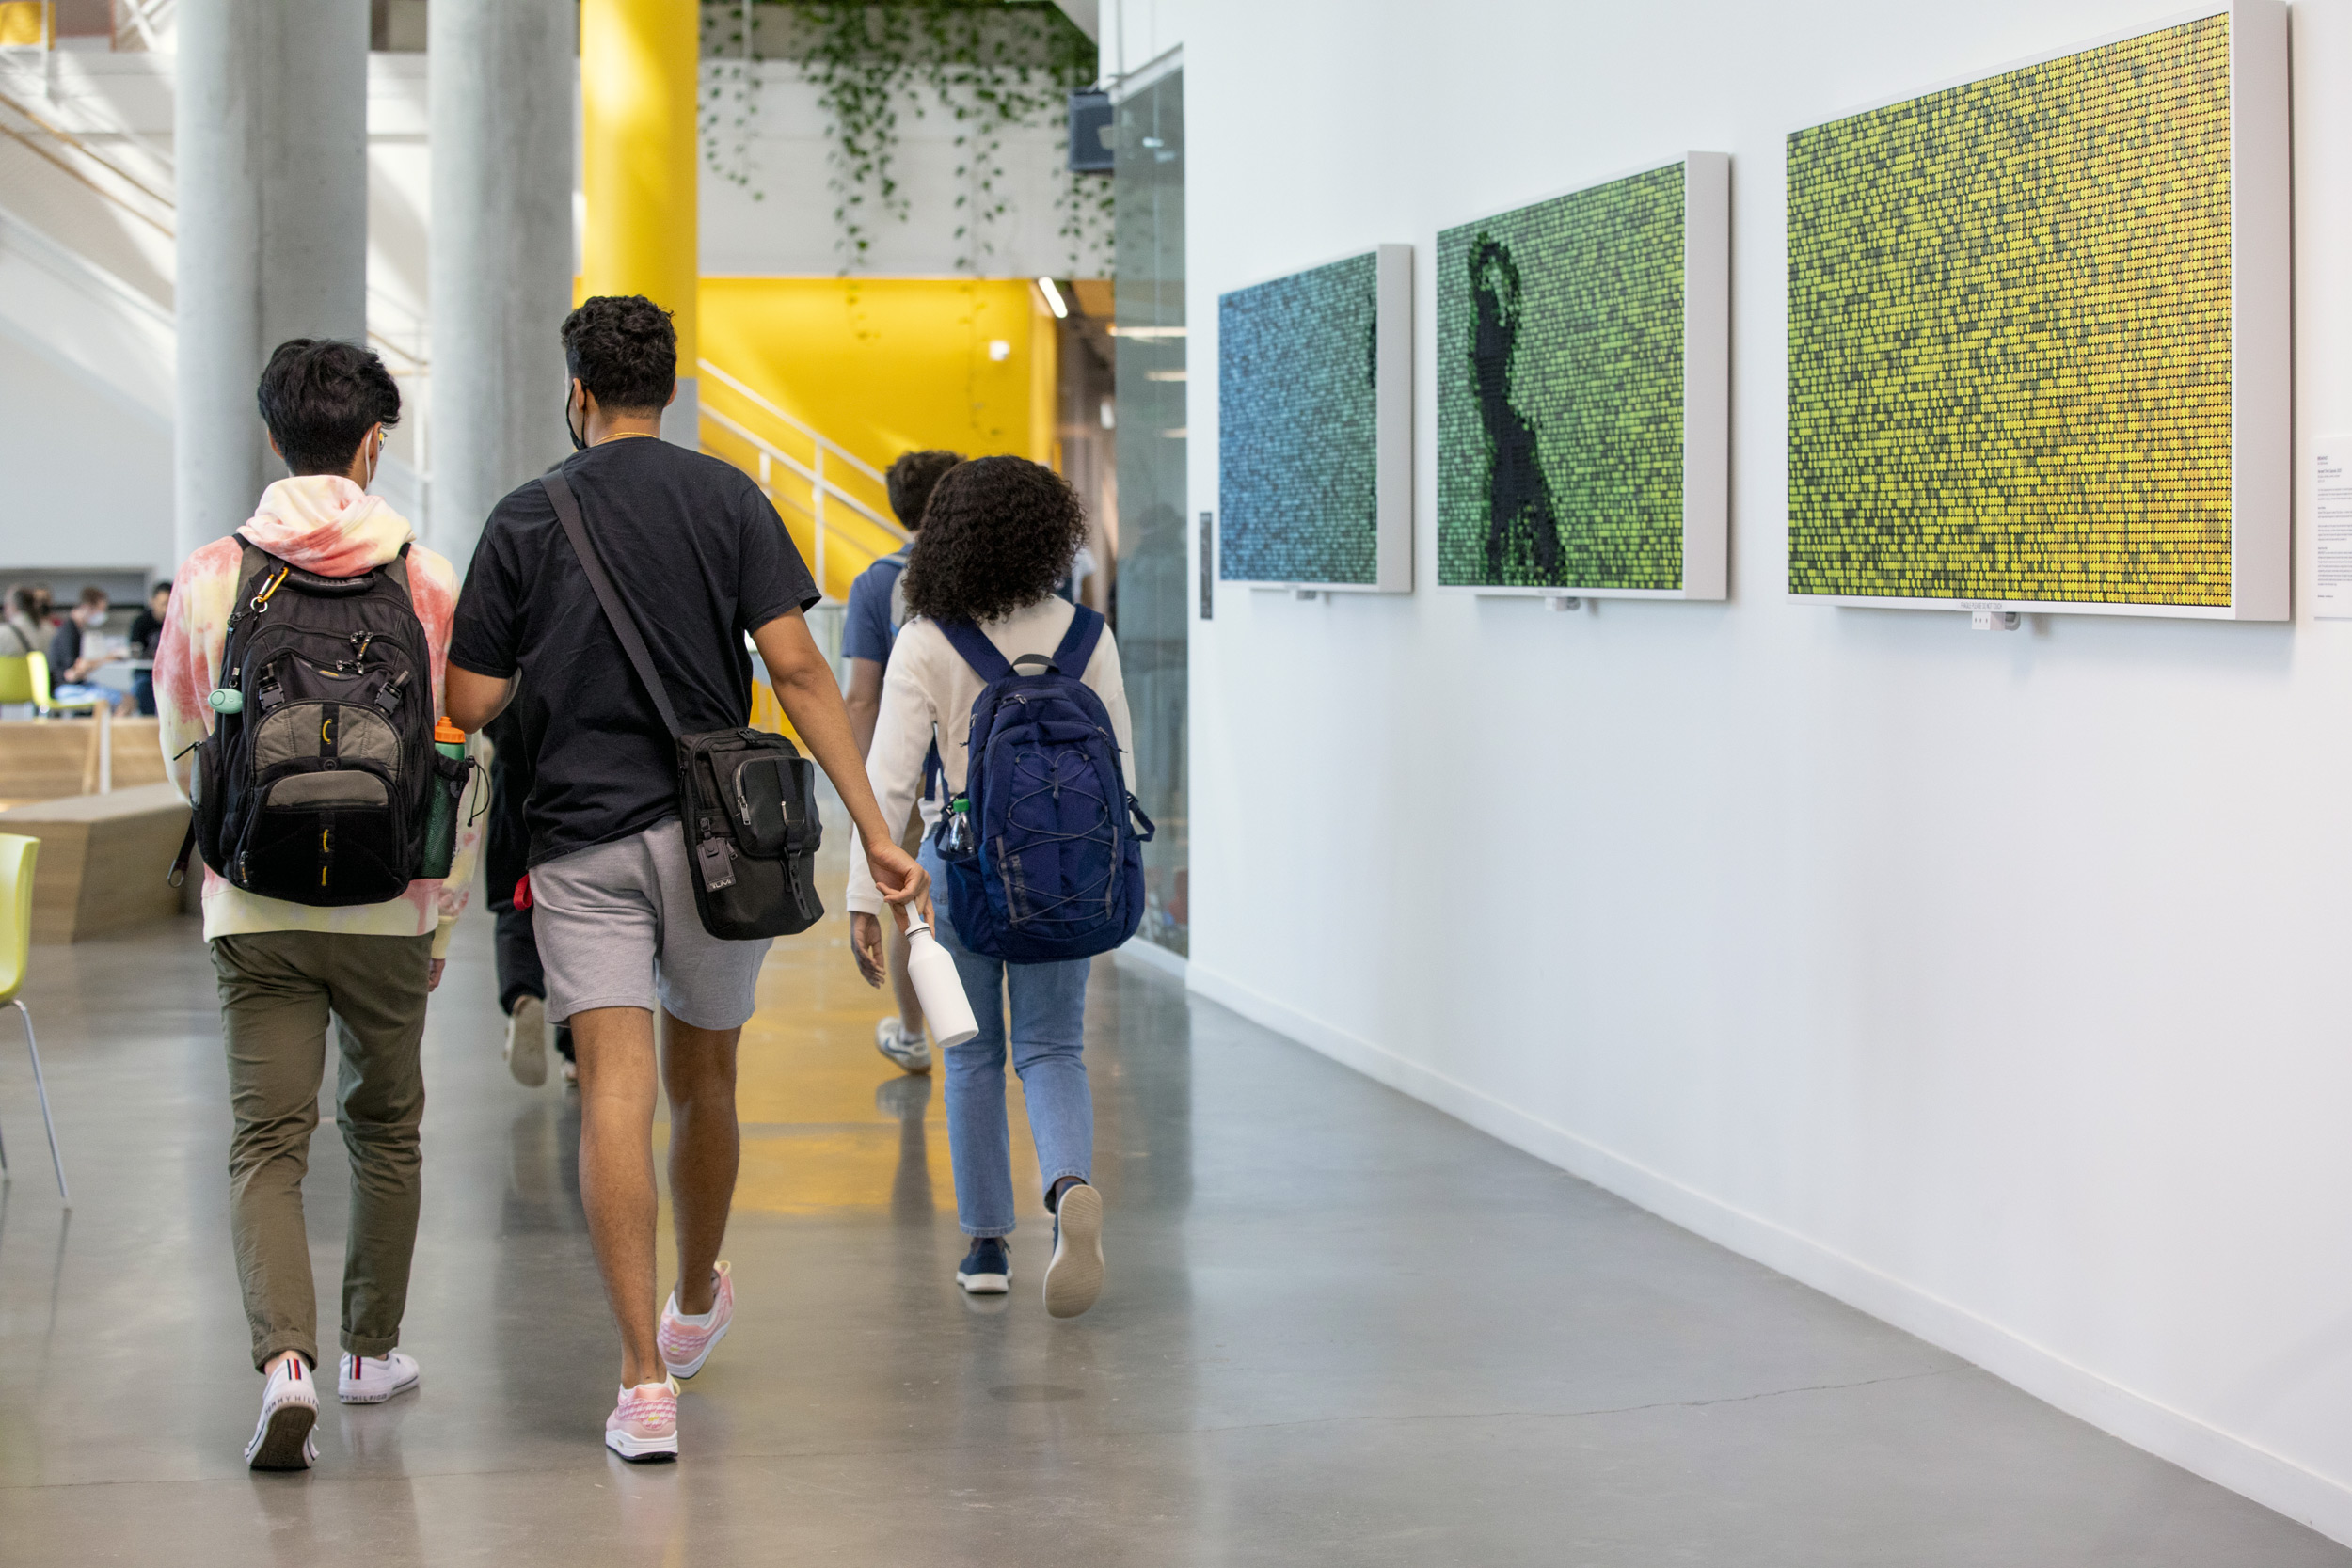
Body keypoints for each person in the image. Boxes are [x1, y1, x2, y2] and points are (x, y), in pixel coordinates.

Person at [443, 293, 927, 1464]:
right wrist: (872, 828)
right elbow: (802, 670)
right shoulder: (728, 498)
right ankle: (698, 1293)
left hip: (579, 836)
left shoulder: (523, 516)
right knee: (702, 1074)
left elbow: (466, 703)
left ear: (577, 393)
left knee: (613, 1084)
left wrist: (549, 678)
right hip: (721, 840)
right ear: (669, 387)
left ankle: (641, 1384)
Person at [154, 338, 481, 1472]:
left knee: (266, 1140)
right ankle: (368, 1352)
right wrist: (442, 914)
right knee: (385, 1128)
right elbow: (456, 760)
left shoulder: (210, 577)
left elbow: (183, 750)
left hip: (254, 901)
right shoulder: (427, 579)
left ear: (272, 436)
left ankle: (283, 1361)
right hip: (392, 901)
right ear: (372, 440)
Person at [847, 455, 1133, 1318]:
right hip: (1062, 875)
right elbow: (1119, 773)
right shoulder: (1090, 633)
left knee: (970, 1052)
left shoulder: (928, 639)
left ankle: (984, 1246)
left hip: (957, 873)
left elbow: (889, 782)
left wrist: (865, 896)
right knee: (1052, 1048)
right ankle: (1068, 1188)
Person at [842, 447, 961, 1076]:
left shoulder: (876, 582)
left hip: (906, 765)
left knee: (908, 902)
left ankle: (916, 1034)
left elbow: (861, 696)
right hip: (973, 764)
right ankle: (972, 1032)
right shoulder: (985, 573)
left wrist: (863, 789)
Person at [484, 703, 576, 1086]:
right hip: (580, 771)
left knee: (514, 897)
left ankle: (523, 995)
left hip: (515, 759)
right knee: (583, 908)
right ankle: (577, 1048)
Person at [127, 582, 169, 715]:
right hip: (146, 673)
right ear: (153, 602)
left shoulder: (177, 622)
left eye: (170, 603)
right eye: (164, 603)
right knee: (143, 689)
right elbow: (135, 650)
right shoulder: (140, 622)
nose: (166, 608)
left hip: (169, 674)